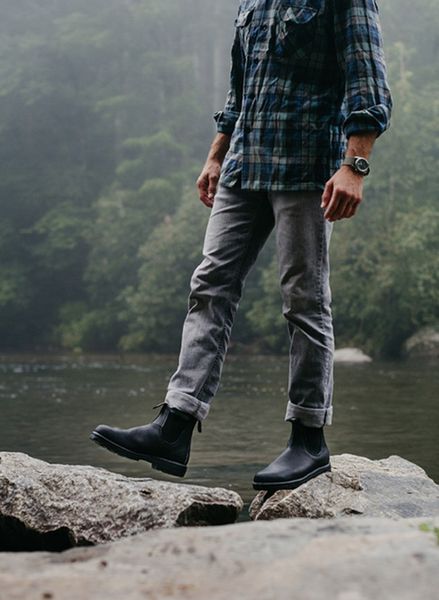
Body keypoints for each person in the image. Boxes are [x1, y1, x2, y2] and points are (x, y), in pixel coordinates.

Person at [90, 0, 392, 491]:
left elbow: (368, 81)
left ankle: (308, 439)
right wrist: (216, 154)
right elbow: (240, 86)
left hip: (307, 165)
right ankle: (175, 425)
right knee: (209, 285)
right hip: (243, 164)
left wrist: (354, 166)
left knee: (304, 300)